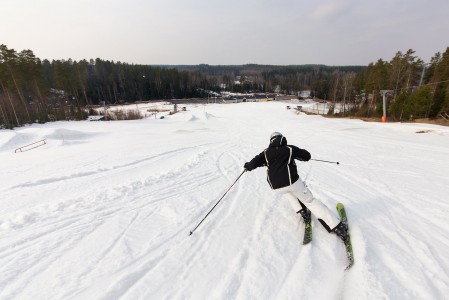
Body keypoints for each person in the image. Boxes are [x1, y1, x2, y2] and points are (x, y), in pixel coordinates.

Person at [243, 132, 349, 244]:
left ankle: (304, 214)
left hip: (276, 187)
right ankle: (338, 227)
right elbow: (306, 156)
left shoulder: (265, 153)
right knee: (310, 200)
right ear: (282, 139)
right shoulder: (289, 149)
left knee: (289, 192)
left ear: (271, 141)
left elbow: (254, 163)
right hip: (292, 181)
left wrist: (248, 166)